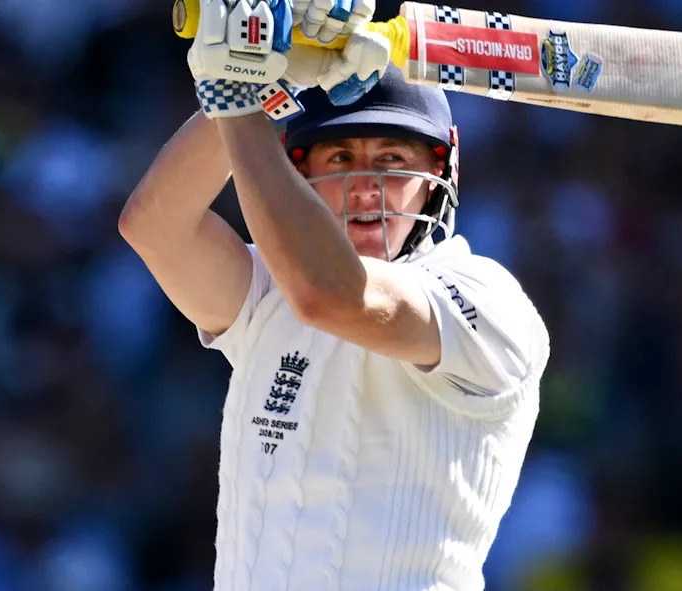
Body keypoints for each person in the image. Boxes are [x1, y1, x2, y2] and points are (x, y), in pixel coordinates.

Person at [119, 1, 549, 588]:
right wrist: (273, 73)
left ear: (438, 172)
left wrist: (241, 101)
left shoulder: (486, 301)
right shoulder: (266, 294)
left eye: (392, 160)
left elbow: (329, 294)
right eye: (340, 157)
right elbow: (154, 228)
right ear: (301, 175)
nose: (364, 186)